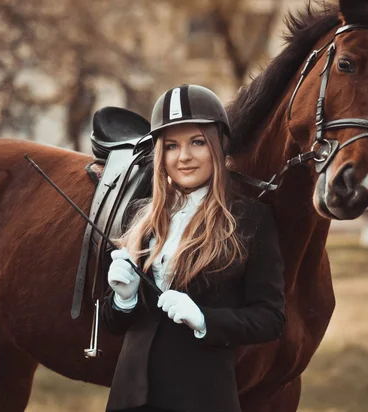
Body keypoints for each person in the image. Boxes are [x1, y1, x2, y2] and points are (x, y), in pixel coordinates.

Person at [101, 84, 286, 412]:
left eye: (197, 142)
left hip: (202, 397)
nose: (183, 157)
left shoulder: (251, 218)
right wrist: (123, 298)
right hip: (130, 397)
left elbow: (270, 318)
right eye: (171, 146)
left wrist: (205, 320)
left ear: (218, 146)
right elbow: (116, 325)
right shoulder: (140, 216)